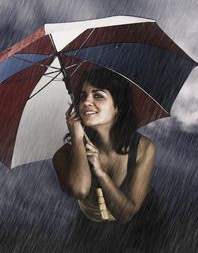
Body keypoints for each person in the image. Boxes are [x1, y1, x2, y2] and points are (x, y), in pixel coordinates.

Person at [52, 69, 157, 224]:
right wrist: (77, 138)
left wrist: (100, 172)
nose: (86, 102)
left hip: (146, 226)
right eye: (82, 96)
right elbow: (79, 189)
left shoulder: (143, 148)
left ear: (117, 107)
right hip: (91, 235)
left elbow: (126, 214)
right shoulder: (63, 155)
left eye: (98, 95)